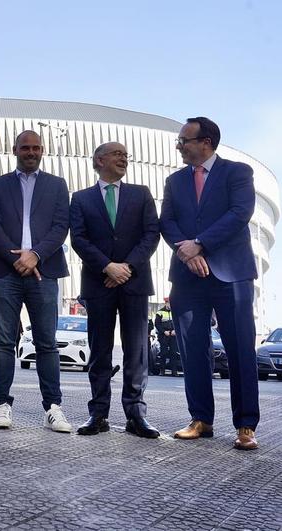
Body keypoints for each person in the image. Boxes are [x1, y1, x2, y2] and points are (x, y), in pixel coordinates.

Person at [161, 116, 259, 450]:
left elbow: (239, 214)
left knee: (240, 349)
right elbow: (168, 222)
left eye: (184, 140)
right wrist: (187, 253)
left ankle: (246, 425)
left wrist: (200, 243)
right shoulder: (174, 181)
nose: (179, 146)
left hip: (231, 274)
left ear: (206, 142)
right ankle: (201, 420)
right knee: (193, 351)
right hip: (188, 278)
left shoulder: (238, 173)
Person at [69, 142, 161, 438]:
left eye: (125, 155)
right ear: (99, 160)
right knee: (100, 351)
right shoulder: (81, 198)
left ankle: (136, 416)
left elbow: (151, 234)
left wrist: (125, 267)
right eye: (117, 153)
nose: (124, 158)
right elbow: (79, 239)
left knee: (136, 351)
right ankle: (98, 414)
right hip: (99, 283)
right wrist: (107, 266)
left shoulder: (141, 193)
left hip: (134, 282)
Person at [0, 130, 72, 432]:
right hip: (6, 272)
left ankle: (54, 408)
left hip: (44, 272)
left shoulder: (57, 186)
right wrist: (17, 260)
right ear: (14, 150)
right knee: (4, 341)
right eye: (25, 148)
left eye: (35, 148)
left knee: (46, 343)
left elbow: (61, 227)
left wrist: (35, 255)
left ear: (42, 150)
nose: (30, 152)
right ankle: (2, 405)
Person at [154, 298, 178, 375]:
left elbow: (178, 322)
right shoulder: (160, 312)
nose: (170, 305)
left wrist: (175, 330)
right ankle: (162, 371)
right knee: (163, 353)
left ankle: (174, 371)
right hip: (164, 335)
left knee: (173, 353)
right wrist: (164, 331)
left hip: (173, 335)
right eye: (169, 303)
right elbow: (157, 324)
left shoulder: (175, 312)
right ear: (166, 303)